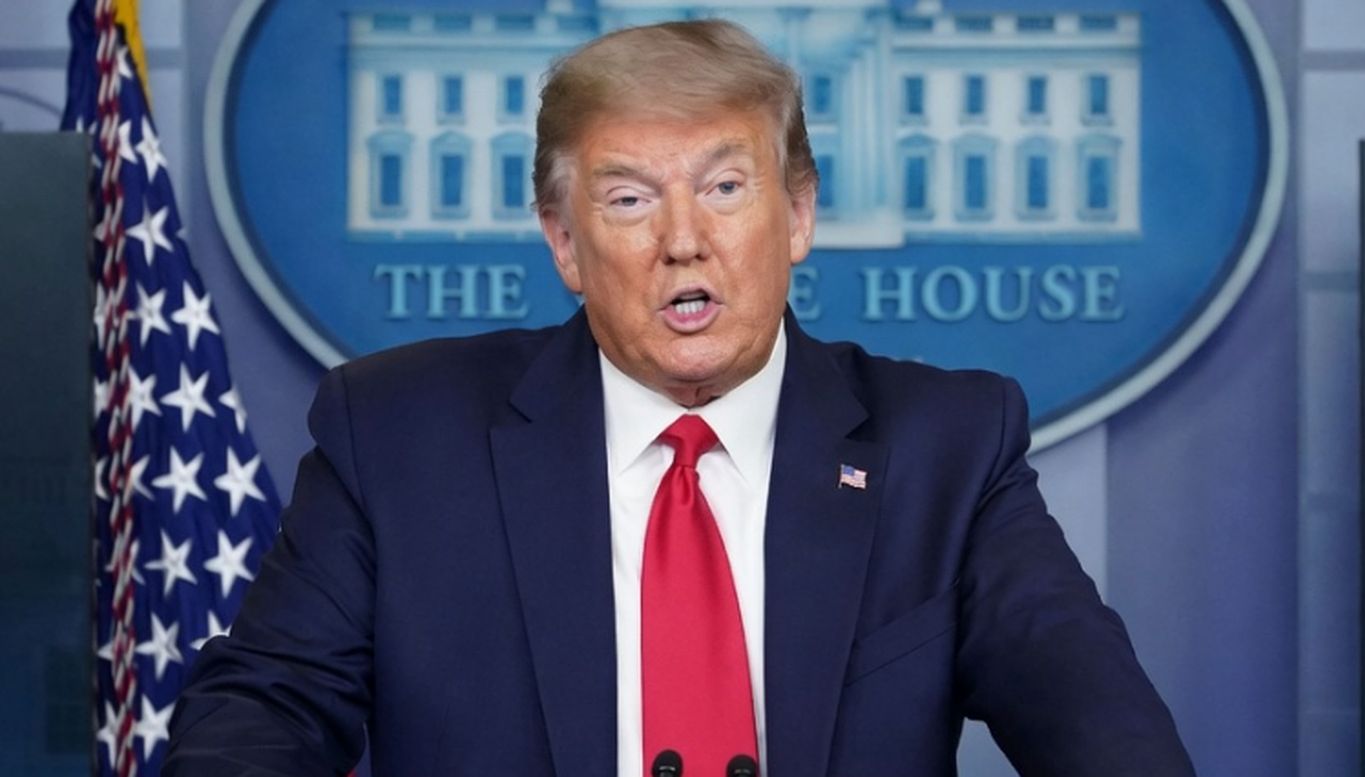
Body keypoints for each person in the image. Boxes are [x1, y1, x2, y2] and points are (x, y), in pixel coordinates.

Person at [165, 19, 1195, 777]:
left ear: (795, 214)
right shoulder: (396, 435)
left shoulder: (945, 448)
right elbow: (265, 713)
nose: (683, 239)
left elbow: (1100, 727)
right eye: (626, 200)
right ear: (564, 243)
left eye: (724, 186)